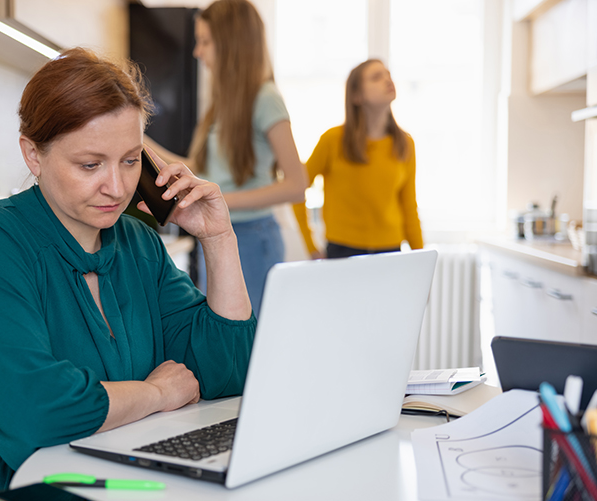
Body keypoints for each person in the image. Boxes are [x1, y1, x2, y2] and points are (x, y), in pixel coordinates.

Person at [0, 48, 256, 501]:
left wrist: (219, 239)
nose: (117, 187)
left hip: (108, 490)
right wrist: (154, 392)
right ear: (33, 154)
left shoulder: (137, 242)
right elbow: (38, 412)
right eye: (91, 165)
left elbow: (228, 372)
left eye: (131, 160)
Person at [146, 0, 307, 317]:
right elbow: (193, 169)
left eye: (205, 41)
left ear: (231, 44)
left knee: (247, 348)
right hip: (218, 234)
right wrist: (138, 141)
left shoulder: (266, 99)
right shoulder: (219, 107)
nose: (197, 52)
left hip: (252, 238)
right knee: (223, 338)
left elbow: (297, 186)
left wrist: (221, 200)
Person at [292, 59, 423, 259]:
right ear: (356, 96)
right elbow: (296, 191)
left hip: (391, 252)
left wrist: (421, 261)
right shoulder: (332, 140)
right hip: (342, 251)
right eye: (376, 77)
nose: (387, 80)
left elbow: (409, 207)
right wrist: (310, 246)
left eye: (387, 74)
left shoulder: (405, 144)